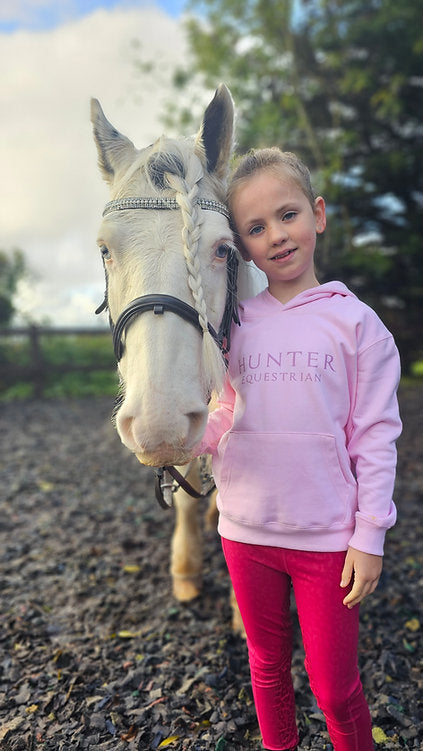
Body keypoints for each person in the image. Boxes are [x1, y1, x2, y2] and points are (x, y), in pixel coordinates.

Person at [193, 147, 402, 751]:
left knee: (336, 690)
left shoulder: (357, 324)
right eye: (255, 228)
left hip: (327, 542)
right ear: (241, 245)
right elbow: (226, 409)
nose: (276, 237)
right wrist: (188, 441)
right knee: (266, 668)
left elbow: (375, 434)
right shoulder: (235, 327)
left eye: (287, 215)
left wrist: (370, 534)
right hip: (246, 532)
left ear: (317, 214)